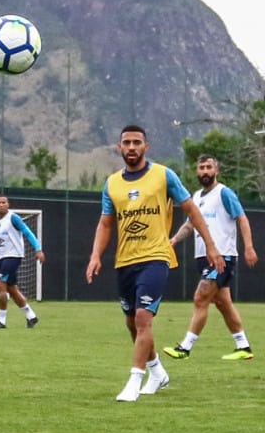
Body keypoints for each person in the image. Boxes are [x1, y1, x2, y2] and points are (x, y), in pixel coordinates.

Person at [84, 125, 225, 402]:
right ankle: (157, 371)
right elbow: (105, 223)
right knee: (131, 324)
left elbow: (191, 210)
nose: (132, 147)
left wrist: (210, 244)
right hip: (125, 261)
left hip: (156, 257)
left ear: (146, 147)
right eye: (127, 142)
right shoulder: (112, 184)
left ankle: (134, 382)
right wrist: (95, 255)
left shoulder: (163, 175)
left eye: (137, 142)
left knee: (142, 318)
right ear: (119, 147)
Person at [162, 155, 260, 361]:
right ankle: (243, 347)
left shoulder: (224, 193)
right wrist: (174, 240)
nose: (205, 171)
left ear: (217, 171)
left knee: (200, 298)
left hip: (222, 256)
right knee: (223, 303)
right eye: (201, 168)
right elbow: (190, 225)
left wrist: (249, 247)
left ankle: (185, 348)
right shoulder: (196, 197)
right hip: (202, 257)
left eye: (209, 167)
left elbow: (242, 218)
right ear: (197, 172)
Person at [0, 193, 44, 328]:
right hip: (2, 257)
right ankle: (31, 316)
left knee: (0, 284)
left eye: (3, 202)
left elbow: (28, 232)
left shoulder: (13, 217)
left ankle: (1, 320)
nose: (1, 204)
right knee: (11, 289)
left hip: (13, 256)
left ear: (8, 204)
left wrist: (38, 249)